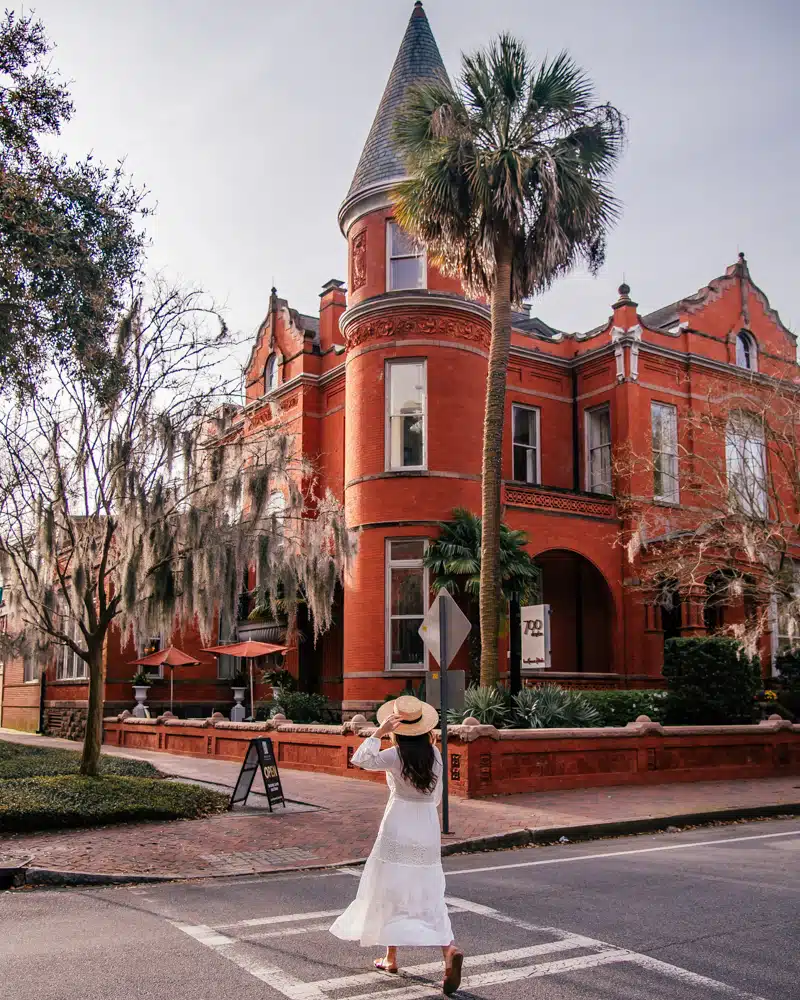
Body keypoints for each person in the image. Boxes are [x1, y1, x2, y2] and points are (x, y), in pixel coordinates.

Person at [329, 695, 464, 995]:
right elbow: (437, 796)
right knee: (428, 888)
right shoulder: (436, 755)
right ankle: (447, 950)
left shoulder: (395, 755)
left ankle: (391, 957)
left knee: (390, 885)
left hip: (398, 821)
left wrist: (378, 731)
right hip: (426, 824)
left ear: (398, 728)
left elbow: (359, 760)